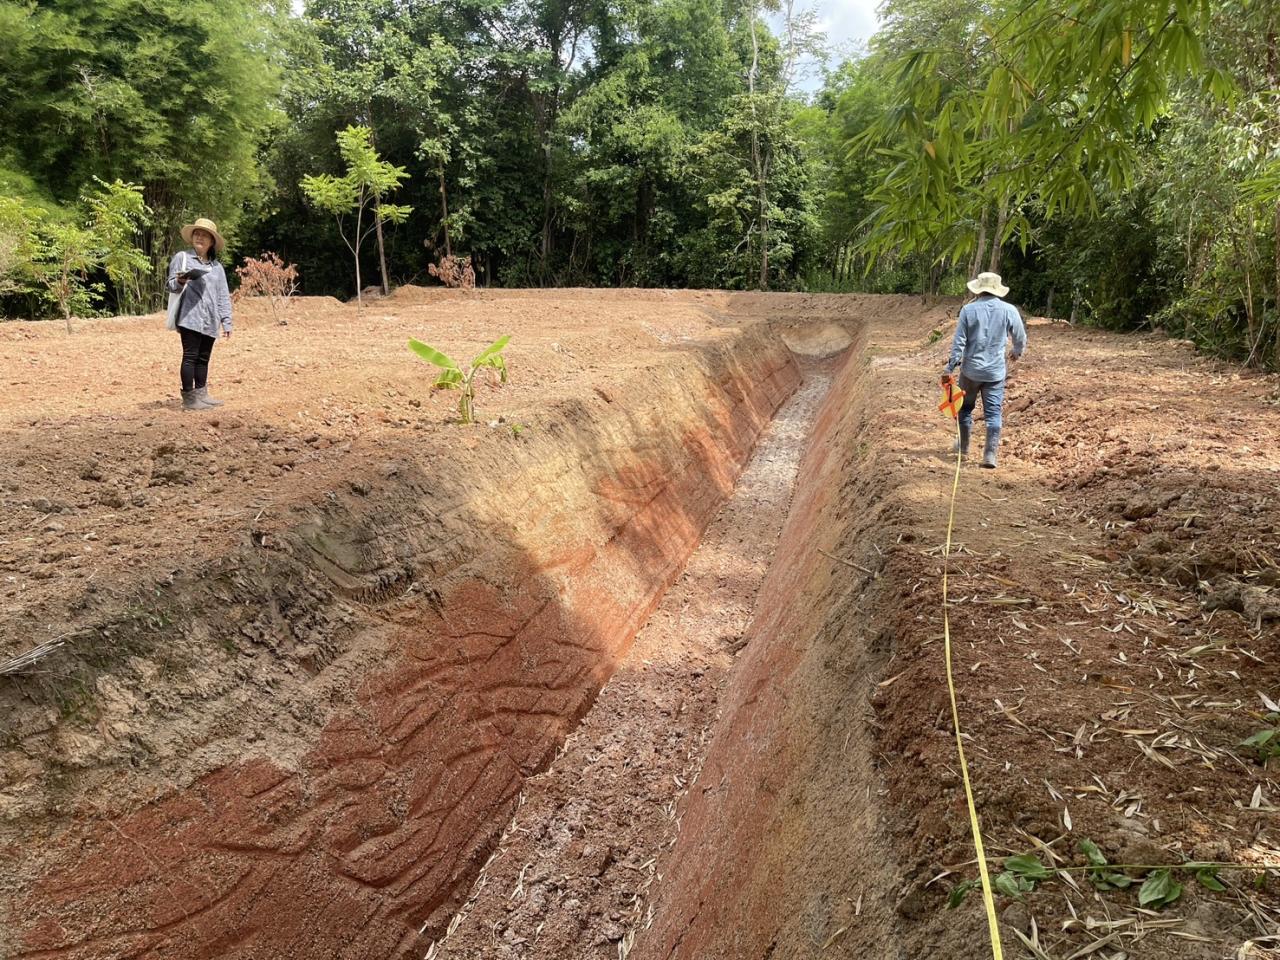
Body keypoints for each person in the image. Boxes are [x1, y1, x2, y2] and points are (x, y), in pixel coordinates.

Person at [943, 271, 1027, 469]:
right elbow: (1020, 337)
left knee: (965, 409)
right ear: (997, 290)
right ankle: (990, 455)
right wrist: (1016, 351)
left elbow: (959, 342)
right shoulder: (1009, 310)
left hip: (970, 371)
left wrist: (950, 366)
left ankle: (963, 447)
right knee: (993, 413)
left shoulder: (968, 310)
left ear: (978, 290)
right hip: (995, 373)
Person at [167, 218, 233, 410]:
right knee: (190, 356)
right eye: (197, 234)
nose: (200, 238)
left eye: (205, 235)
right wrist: (181, 281)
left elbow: (223, 295)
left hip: (211, 319)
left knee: (204, 358)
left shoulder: (217, 267)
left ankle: (202, 394)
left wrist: (226, 320)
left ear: (212, 242)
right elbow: (170, 286)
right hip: (190, 317)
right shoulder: (182, 258)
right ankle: (189, 398)